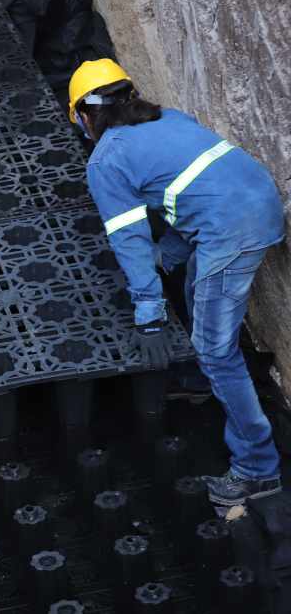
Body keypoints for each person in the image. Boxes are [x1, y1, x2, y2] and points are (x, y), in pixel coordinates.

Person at [68, 58, 285, 506]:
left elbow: (128, 240)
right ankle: (199, 379)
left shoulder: (107, 160)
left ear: (85, 116)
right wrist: (166, 256)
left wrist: (149, 314)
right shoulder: (171, 118)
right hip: (260, 200)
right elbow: (190, 191)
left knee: (216, 349)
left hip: (232, 230)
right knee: (195, 288)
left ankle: (257, 469)